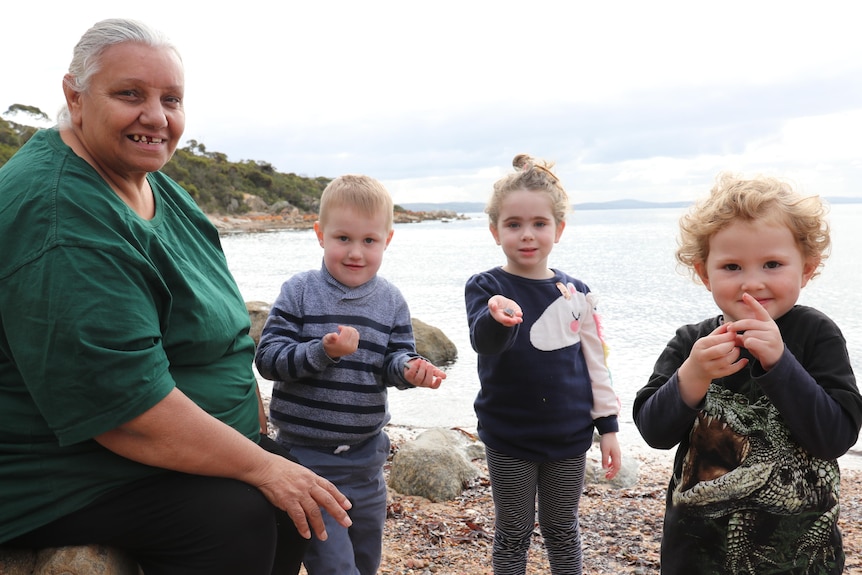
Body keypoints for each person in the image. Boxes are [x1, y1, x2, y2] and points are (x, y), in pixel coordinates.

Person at [0, 18, 353, 575]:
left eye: (171, 99)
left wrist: (256, 439)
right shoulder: (63, 218)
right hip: (66, 468)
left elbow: (227, 335)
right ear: (75, 96)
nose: (157, 117)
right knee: (242, 515)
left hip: (162, 446)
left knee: (296, 498)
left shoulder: (150, 180)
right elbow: (124, 408)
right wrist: (258, 466)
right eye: (129, 95)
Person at [633, 173, 862, 574]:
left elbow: (836, 437)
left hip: (801, 561)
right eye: (732, 266)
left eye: (772, 264)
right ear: (705, 274)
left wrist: (780, 364)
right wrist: (694, 375)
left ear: (806, 269)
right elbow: (654, 432)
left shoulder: (815, 335)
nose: (752, 283)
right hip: (695, 556)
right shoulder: (693, 343)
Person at [254, 173, 446, 575]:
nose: (356, 252)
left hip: (367, 460)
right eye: (343, 239)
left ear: (387, 241)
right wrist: (322, 351)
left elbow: (394, 360)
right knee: (335, 566)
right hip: (307, 460)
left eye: (369, 241)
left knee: (364, 561)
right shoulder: (300, 291)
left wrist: (411, 370)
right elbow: (269, 358)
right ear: (320, 234)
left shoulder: (391, 301)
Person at [464, 153, 621, 575]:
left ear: (559, 229)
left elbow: (596, 362)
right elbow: (485, 342)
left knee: (562, 529)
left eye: (539, 224)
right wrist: (496, 314)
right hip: (508, 434)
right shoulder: (487, 286)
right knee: (512, 532)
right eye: (513, 225)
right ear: (495, 230)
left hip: (569, 437)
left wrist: (607, 428)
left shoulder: (576, 293)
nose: (527, 235)